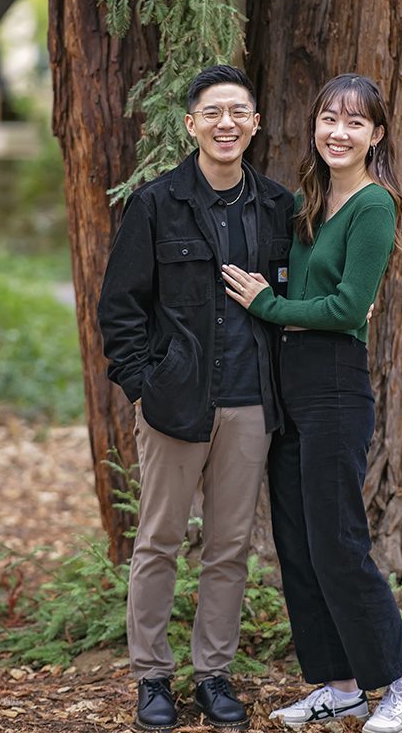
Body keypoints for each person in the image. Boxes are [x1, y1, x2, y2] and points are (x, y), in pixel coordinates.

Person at [222, 74, 402, 733]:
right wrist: (281, 306)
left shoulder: (374, 205)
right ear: (313, 125)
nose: (337, 133)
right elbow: (303, 281)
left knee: (338, 543)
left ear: (375, 135)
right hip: (287, 382)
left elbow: (346, 309)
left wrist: (270, 305)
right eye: (328, 119)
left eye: (353, 123)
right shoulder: (308, 198)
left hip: (335, 386)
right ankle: (339, 686)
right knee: (298, 543)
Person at [98, 64, 294, 731]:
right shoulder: (156, 204)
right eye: (212, 112)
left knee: (228, 547)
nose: (226, 123)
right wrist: (143, 384)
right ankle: (152, 678)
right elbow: (119, 309)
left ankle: (213, 675)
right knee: (156, 542)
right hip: (175, 406)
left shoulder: (276, 207)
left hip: (249, 406)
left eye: (238, 111)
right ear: (191, 124)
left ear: (255, 124)